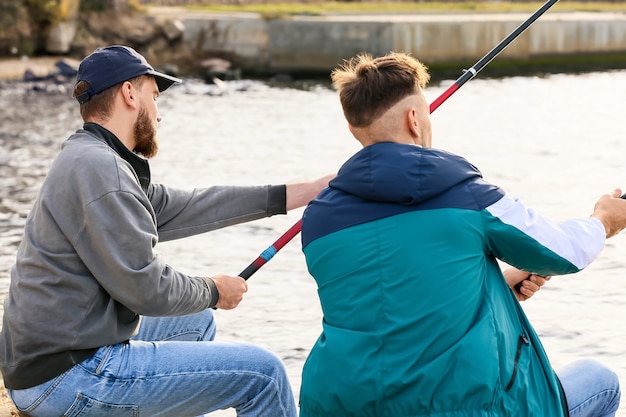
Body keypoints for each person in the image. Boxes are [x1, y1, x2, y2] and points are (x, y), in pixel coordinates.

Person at [0, 45, 333, 417]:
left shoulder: (92, 158)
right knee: (265, 374)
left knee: (195, 321)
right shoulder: (102, 172)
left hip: (55, 357)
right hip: (65, 377)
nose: (159, 114)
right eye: (154, 97)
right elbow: (147, 289)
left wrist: (305, 192)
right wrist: (213, 290)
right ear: (130, 93)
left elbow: (196, 205)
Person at [299, 51, 626, 417]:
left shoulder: (319, 220)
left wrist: (495, 290)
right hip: (461, 407)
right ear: (413, 119)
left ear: (353, 129)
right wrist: (604, 220)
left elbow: (391, 305)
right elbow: (565, 252)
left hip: (341, 405)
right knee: (600, 380)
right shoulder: (468, 196)